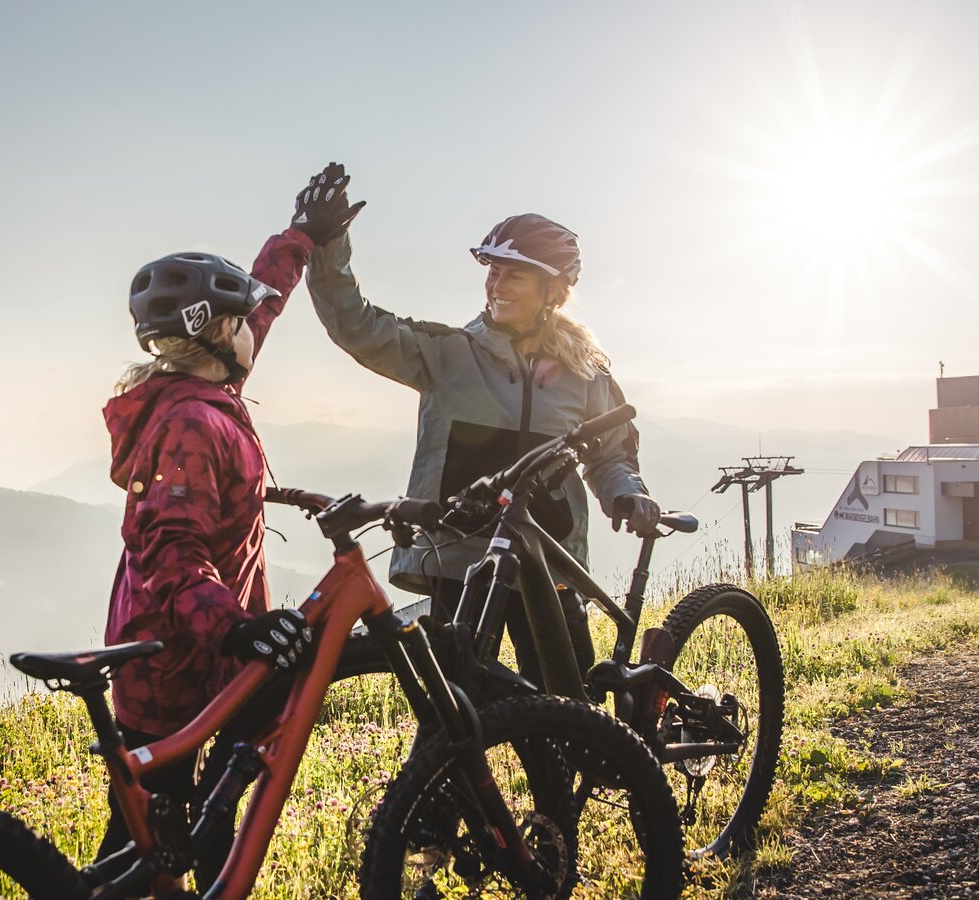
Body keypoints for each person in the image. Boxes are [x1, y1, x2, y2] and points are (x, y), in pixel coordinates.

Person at [298, 162, 660, 685]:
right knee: (456, 710)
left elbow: (611, 454)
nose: (497, 282)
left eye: (514, 273)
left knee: (570, 708)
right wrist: (329, 245)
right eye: (492, 269)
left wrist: (626, 492)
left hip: (548, 560)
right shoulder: (450, 354)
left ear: (552, 291)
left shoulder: (584, 372)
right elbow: (356, 325)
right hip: (459, 559)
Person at [94, 178, 358, 883]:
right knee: (144, 845)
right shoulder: (193, 423)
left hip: (198, 652)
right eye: (242, 319)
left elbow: (260, 308)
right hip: (173, 666)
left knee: (200, 824)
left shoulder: (207, 388)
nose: (255, 326)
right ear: (217, 333)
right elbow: (172, 554)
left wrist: (300, 237)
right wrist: (236, 630)